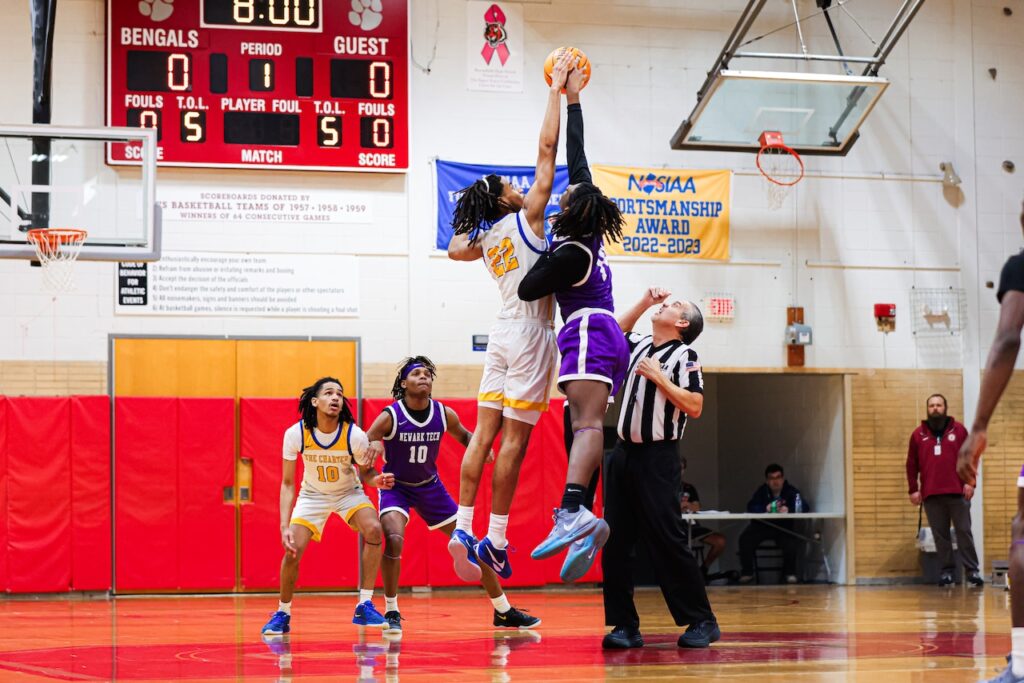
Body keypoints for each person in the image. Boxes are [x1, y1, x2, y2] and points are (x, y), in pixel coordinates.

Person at [444, 51, 573, 581]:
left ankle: (461, 525)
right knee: (515, 443)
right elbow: (547, 149)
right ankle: (495, 539)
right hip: (529, 333)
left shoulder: (486, 239)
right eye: (510, 187)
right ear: (504, 199)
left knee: (482, 435)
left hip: (500, 329)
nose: (522, 186)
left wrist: (477, 209)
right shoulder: (525, 219)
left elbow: (453, 249)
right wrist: (555, 90)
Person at [519, 63, 628, 582]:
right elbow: (577, 157)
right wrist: (573, 98)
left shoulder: (569, 252)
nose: (563, 193)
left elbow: (526, 288)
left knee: (586, 425)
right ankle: (584, 516)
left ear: (574, 212)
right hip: (600, 334)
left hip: (589, 331)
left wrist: (533, 246)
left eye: (566, 197)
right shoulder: (588, 233)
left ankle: (571, 511)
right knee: (578, 425)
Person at [364, 357, 540, 633]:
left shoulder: (444, 413)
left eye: (427, 374)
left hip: (430, 488)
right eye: (416, 374)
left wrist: (482, 450)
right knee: (394, 539)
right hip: (397, 488)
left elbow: (466, 436)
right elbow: (367, 440)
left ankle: (503, 611)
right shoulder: (390, 415)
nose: (424, 378)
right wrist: (374, 446)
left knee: (472, 543)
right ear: (403, 383)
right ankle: (391, 610)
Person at [600, 286, 720, 650]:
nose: (669, 303)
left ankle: (702, 620)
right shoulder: (637, 344)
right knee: (615, 541)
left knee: (667, 539)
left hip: (658, 457)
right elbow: (614, 331)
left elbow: (695, 406)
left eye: (675, 305)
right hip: (622, 455)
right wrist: (645, 303)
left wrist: (660, 379)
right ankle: (624, 625)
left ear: (682, 323)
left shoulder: (685, 355)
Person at [261, 377, 394, 636]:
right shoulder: (295, 434)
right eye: (329, 393)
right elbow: (288, 483)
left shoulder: (353, 434)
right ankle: (282, 613)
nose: (336, 398)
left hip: (348, 493)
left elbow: (366, 474)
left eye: (340, 394)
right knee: (293, 550)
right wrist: (284, 525)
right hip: (312, 496)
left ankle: (365, 604)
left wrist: (376, 480)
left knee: (375, 530)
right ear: (315, 401)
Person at [958, 200, 1024, 683]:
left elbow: (1006, 341)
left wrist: (978, 425)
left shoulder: (1020, 265)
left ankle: (1022, 664)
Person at [907, 393, 982, 587]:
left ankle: (972, 572)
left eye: (939, 405)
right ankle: (947, 573)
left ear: (945, 408)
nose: (935, 408)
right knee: (941, 537)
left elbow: (971, 457)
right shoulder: (918, 435)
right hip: (931, 495)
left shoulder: (959, 431)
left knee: (964, 532)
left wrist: (970, 482)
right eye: (931, 405)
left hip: (958, 492)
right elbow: (911, 464)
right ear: (927, 409)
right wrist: (913, 489)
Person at [738, 464, 809, 585]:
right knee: (745, 538)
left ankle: (790, 573)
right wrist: (765, 508)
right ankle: (747, 572)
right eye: (772, 478)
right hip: (762, 527)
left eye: (778, 477)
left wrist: (789, 509)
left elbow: (805, 507)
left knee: (791, 542)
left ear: (783, 479)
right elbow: (751, 506)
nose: (775, 481)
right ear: (767, 481)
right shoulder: (761, 491)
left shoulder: (791, 491)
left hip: (783, 528)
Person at [679, 457, 727, 574]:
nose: (678, 471)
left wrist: (687, 504)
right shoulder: (665, 487)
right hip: (674, 527)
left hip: (692, 526)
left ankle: (703, 570)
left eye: (681, 468)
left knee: (720, 541)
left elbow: (697, 507)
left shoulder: (689, 488)